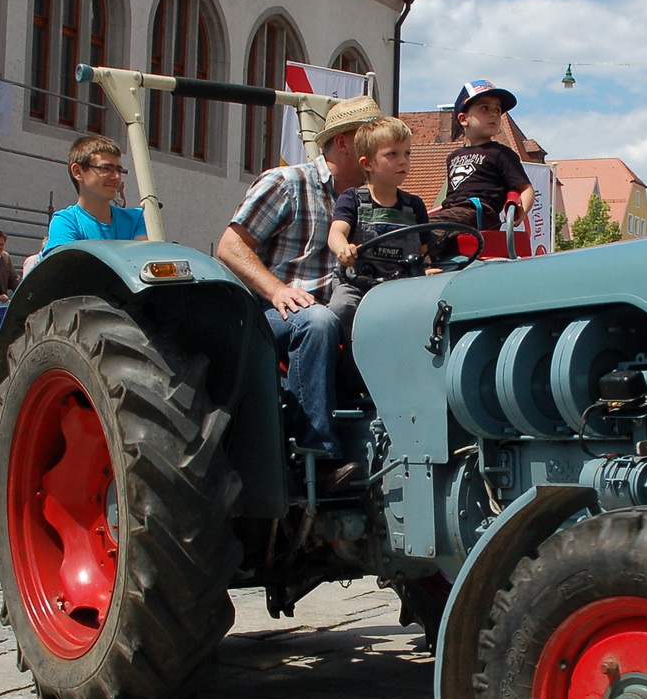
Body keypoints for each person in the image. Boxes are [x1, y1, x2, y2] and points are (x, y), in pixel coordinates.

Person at [215, 95, 381, 490]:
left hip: (343, 311)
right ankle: (317, 458)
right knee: (317, 322)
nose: (378, 152)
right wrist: (276, 290)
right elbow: (230, 247)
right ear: (342, 142)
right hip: (276, 316)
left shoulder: (372, 200)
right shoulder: (288, 183)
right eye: (370, 140)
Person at [326, 116, 435, 333]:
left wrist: (428, 269)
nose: (403, 161)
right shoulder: (353, 199)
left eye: (407, 153)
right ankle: (348, 351)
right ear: (368, 164)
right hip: (358, 284)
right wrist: (343, 248)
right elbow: (336, 232)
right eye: (392, 154)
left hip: (402, 287)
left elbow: (424, 251)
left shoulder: (414, 205)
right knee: (342, 307)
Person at [432, 81, 531, 235]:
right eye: (484, 108)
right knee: (414, 226)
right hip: (452, 212)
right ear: (463, 119)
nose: (494, 114)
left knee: (425, 229)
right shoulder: (453, 157)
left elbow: (525, 188)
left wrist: (521, 211)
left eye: (497, 110)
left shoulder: (501, 153)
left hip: (479, 212)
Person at [42, 136, 148, 251]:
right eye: (106, 168)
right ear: (77, 172)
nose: (117, 177)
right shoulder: (66, 222)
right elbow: (65, 261)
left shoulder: (137, 218)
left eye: (119, 170)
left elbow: (143, 257)